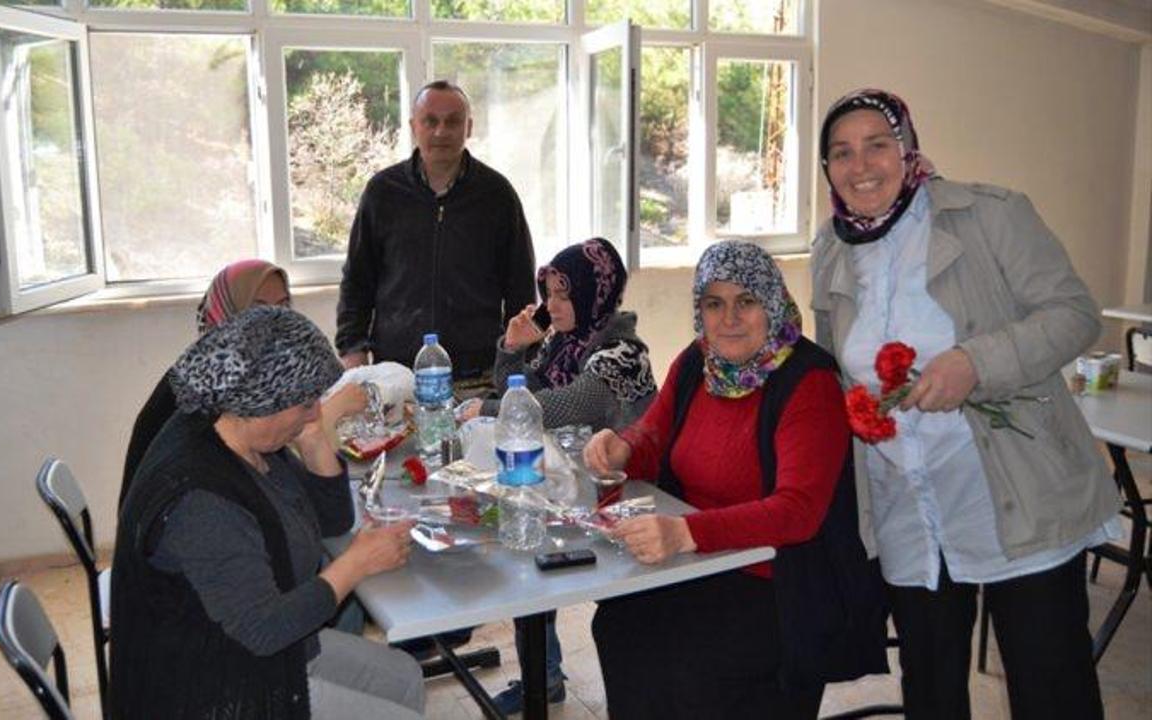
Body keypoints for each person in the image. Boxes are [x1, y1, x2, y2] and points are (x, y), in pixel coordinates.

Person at [810, 88, 1121, 719]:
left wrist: (977, 363)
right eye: (841, 153)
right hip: (908, 505)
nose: (860, 165)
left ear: (907, 147)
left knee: (1049, 682)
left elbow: (1074, 314)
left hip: (1011, 488)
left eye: (877, 144)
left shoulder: (988, 215)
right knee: (931, 687)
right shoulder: (831, 248)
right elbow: (835, 367)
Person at [581, 241, 875, 719]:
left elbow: (797, 511)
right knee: (620, 623)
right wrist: (624, 447)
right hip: (700, 565)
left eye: (746, 301)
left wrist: (687, 532)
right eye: (714, 304)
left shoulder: (808, 382)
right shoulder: (699, 363)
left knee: (690, 661)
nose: (729, 319)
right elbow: (656, 434)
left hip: (777, 582)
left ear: (772, 302)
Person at [110, 306, 425, 719]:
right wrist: (355, 565)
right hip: (212, 688)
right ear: (265, 401)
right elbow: (265, 629)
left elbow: (331, 520)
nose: (317, 413)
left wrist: (313, 439)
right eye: (306, 404)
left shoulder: (243, 438)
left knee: (405, 676)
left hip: (250, 654)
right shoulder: (201, 498)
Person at [460, 236, 657, 715]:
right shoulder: (565, 342)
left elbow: (559, 407)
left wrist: (486, 408)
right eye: (548, 294)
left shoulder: (621, 353)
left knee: (541, 549)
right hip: (573, 484)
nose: (552, 306)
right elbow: (521, 390)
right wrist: (512, 347)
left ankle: (620, 688)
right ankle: (543, 676)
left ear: (594, 295)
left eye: (565, 296)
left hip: (625, 494)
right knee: (522, 535)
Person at [336, 79, 537, 395]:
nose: (441, 131)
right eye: (430, 121)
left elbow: (520, 285)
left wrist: (520, 360)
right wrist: (352, 349)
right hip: (397, 376)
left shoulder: (497, 195)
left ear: (468, 127)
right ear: (413, 127)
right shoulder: (382, 192)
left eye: (453, 121)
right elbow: (357, 279)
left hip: (479, 376)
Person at [120, 259, 366, 510]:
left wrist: (311, 431)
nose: (275, 321)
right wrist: (331, 411)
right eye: (258, 309)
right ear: (225, 315)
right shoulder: (197, 401)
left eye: (283, 307)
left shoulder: (264, 394)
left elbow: (329, 516)